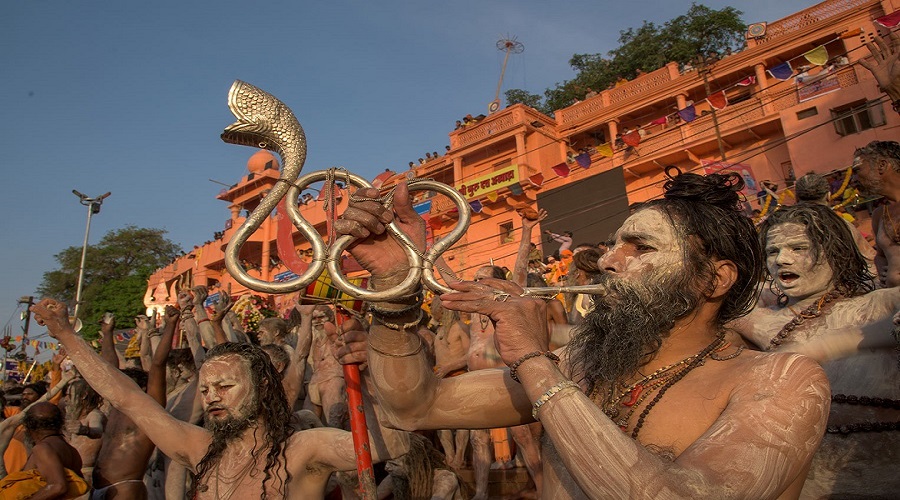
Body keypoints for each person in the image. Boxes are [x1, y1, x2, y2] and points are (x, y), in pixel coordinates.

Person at [333, 175, 829, 498]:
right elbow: (416, 407)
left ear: (713, 280)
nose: (610, 260)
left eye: (641, 247)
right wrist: (393, 290)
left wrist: (533, 360)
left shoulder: (783, 379)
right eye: (614, 244)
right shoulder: (583, 366)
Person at [30, 299, 408, 499]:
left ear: (262, 386)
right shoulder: (200, 448)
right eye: (207, 389)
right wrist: (66, 335)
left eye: (225, 387)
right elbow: (127, 398)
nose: (211, 398)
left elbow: (390, 443)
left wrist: (377, 366)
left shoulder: (305, 449)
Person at [729, 203, 899, 498]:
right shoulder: (760, 320)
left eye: (798, 248)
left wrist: (828, 346)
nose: (782, 259)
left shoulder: (875, 306)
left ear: (835, 251)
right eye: (772, 251)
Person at [0, 402, 88, 499]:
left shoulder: (43, 448)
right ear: (60, 423)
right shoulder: (70, 449)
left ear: (28, 426)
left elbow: (58, 486)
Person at [854, 141, 900, 286]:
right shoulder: (879, 214)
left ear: (882, 165)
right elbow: (880, 255)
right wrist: (881, 266)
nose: (854, 180)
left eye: (858, 170)